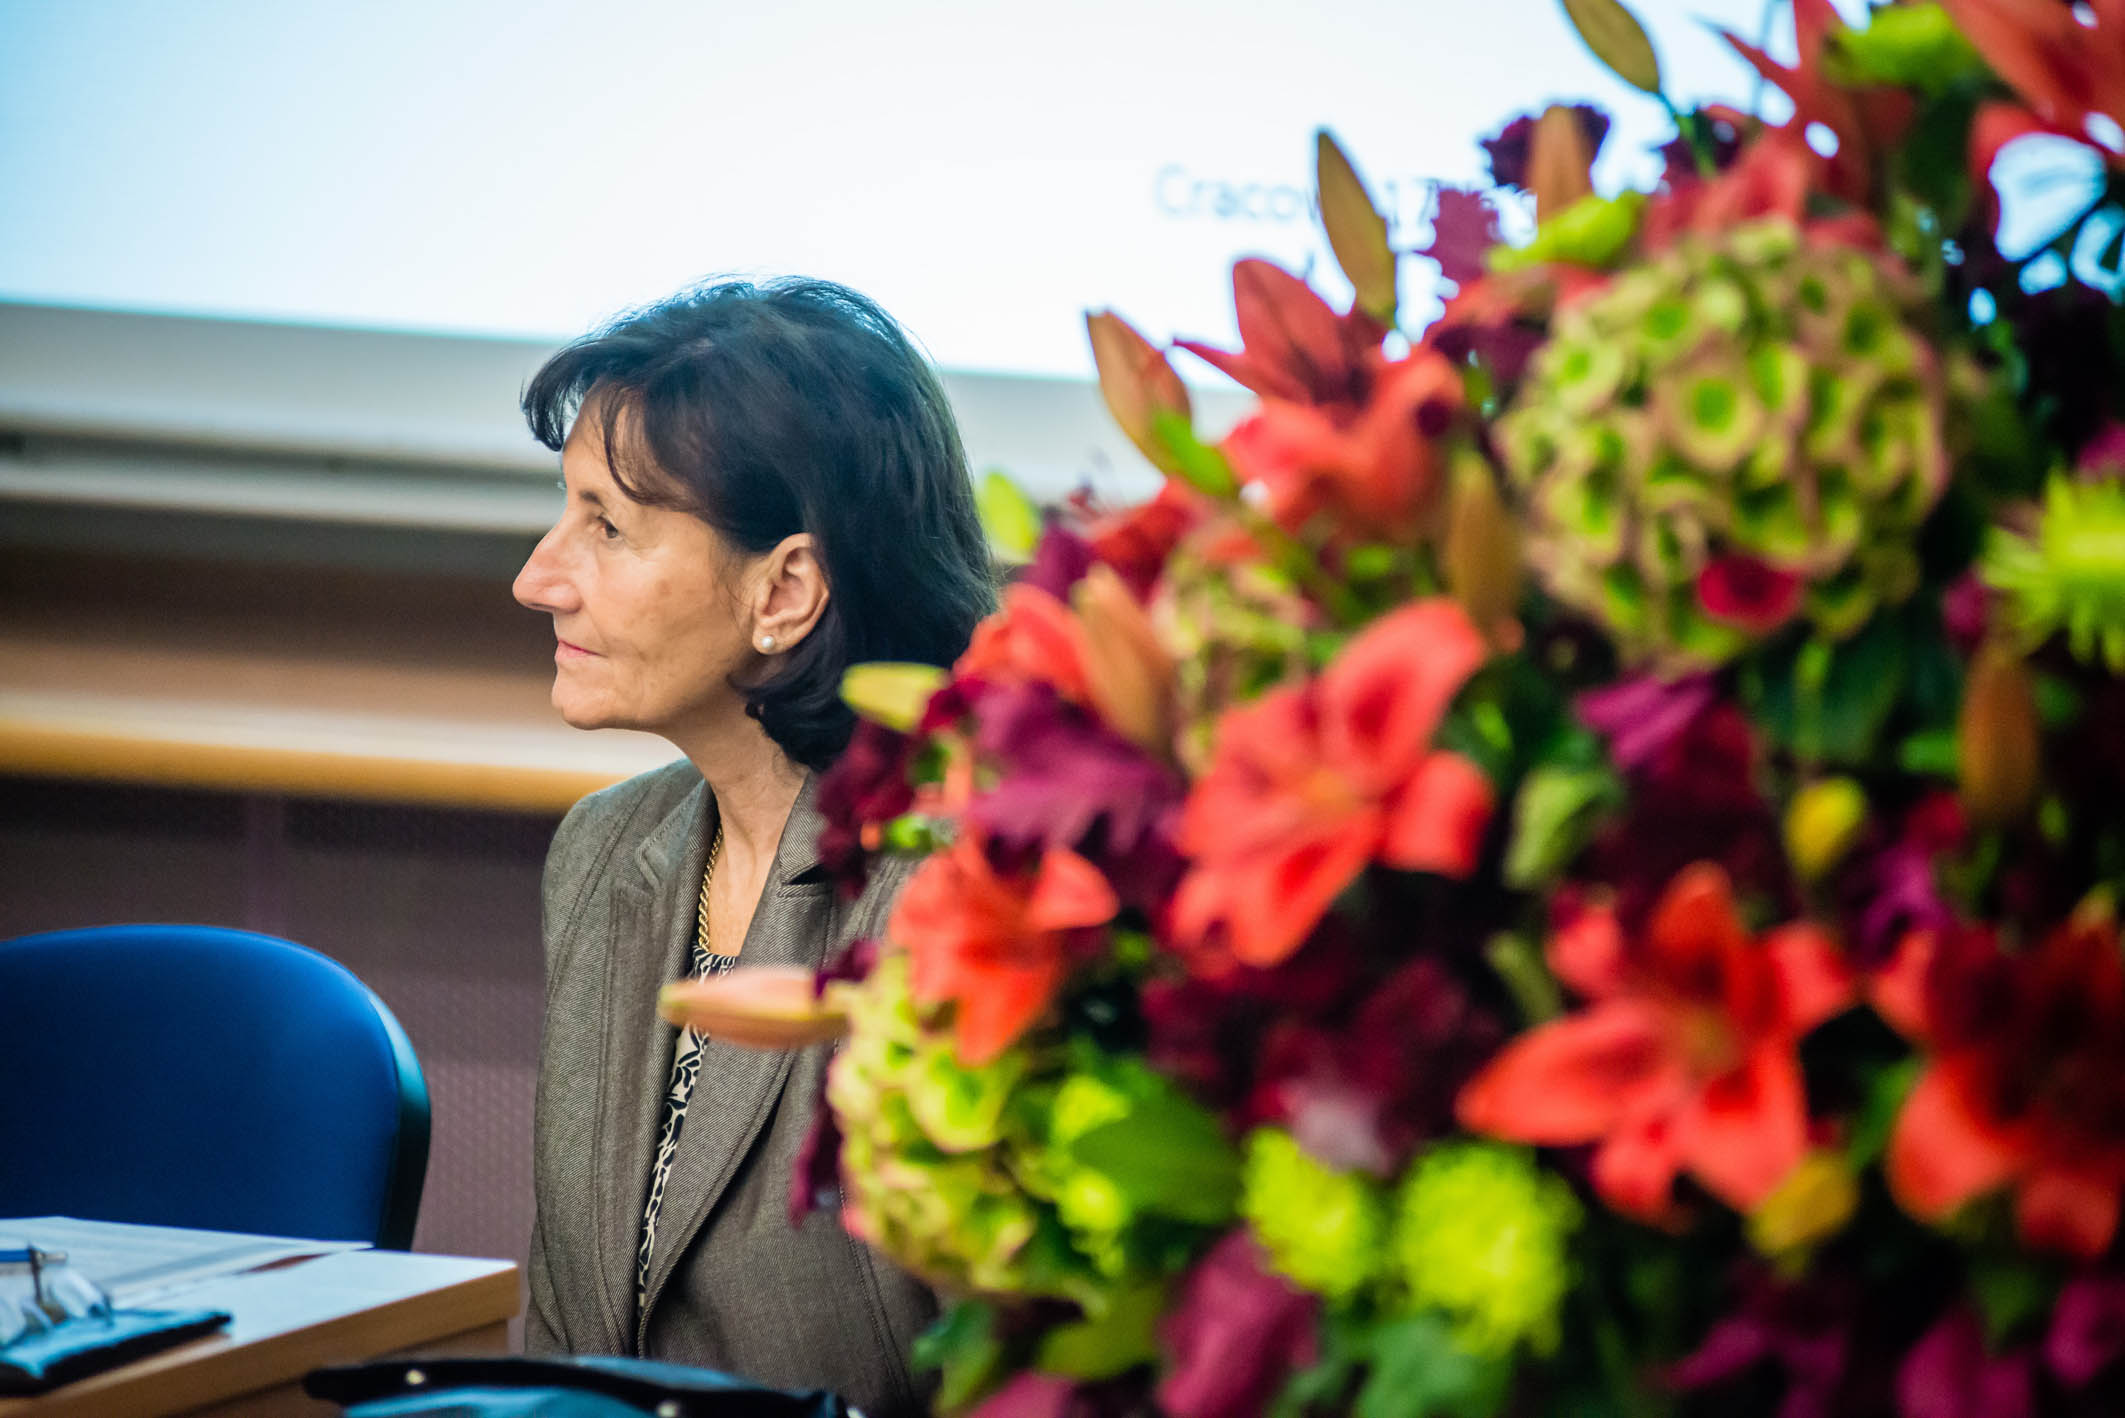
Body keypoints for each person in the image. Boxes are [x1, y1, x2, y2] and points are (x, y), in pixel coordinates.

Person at [511, 278, 994, 1416]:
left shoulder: (961, 895)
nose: (536, 578)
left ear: (785, 590)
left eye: (606, 527)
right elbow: (569, 1345)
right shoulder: (605, 853)